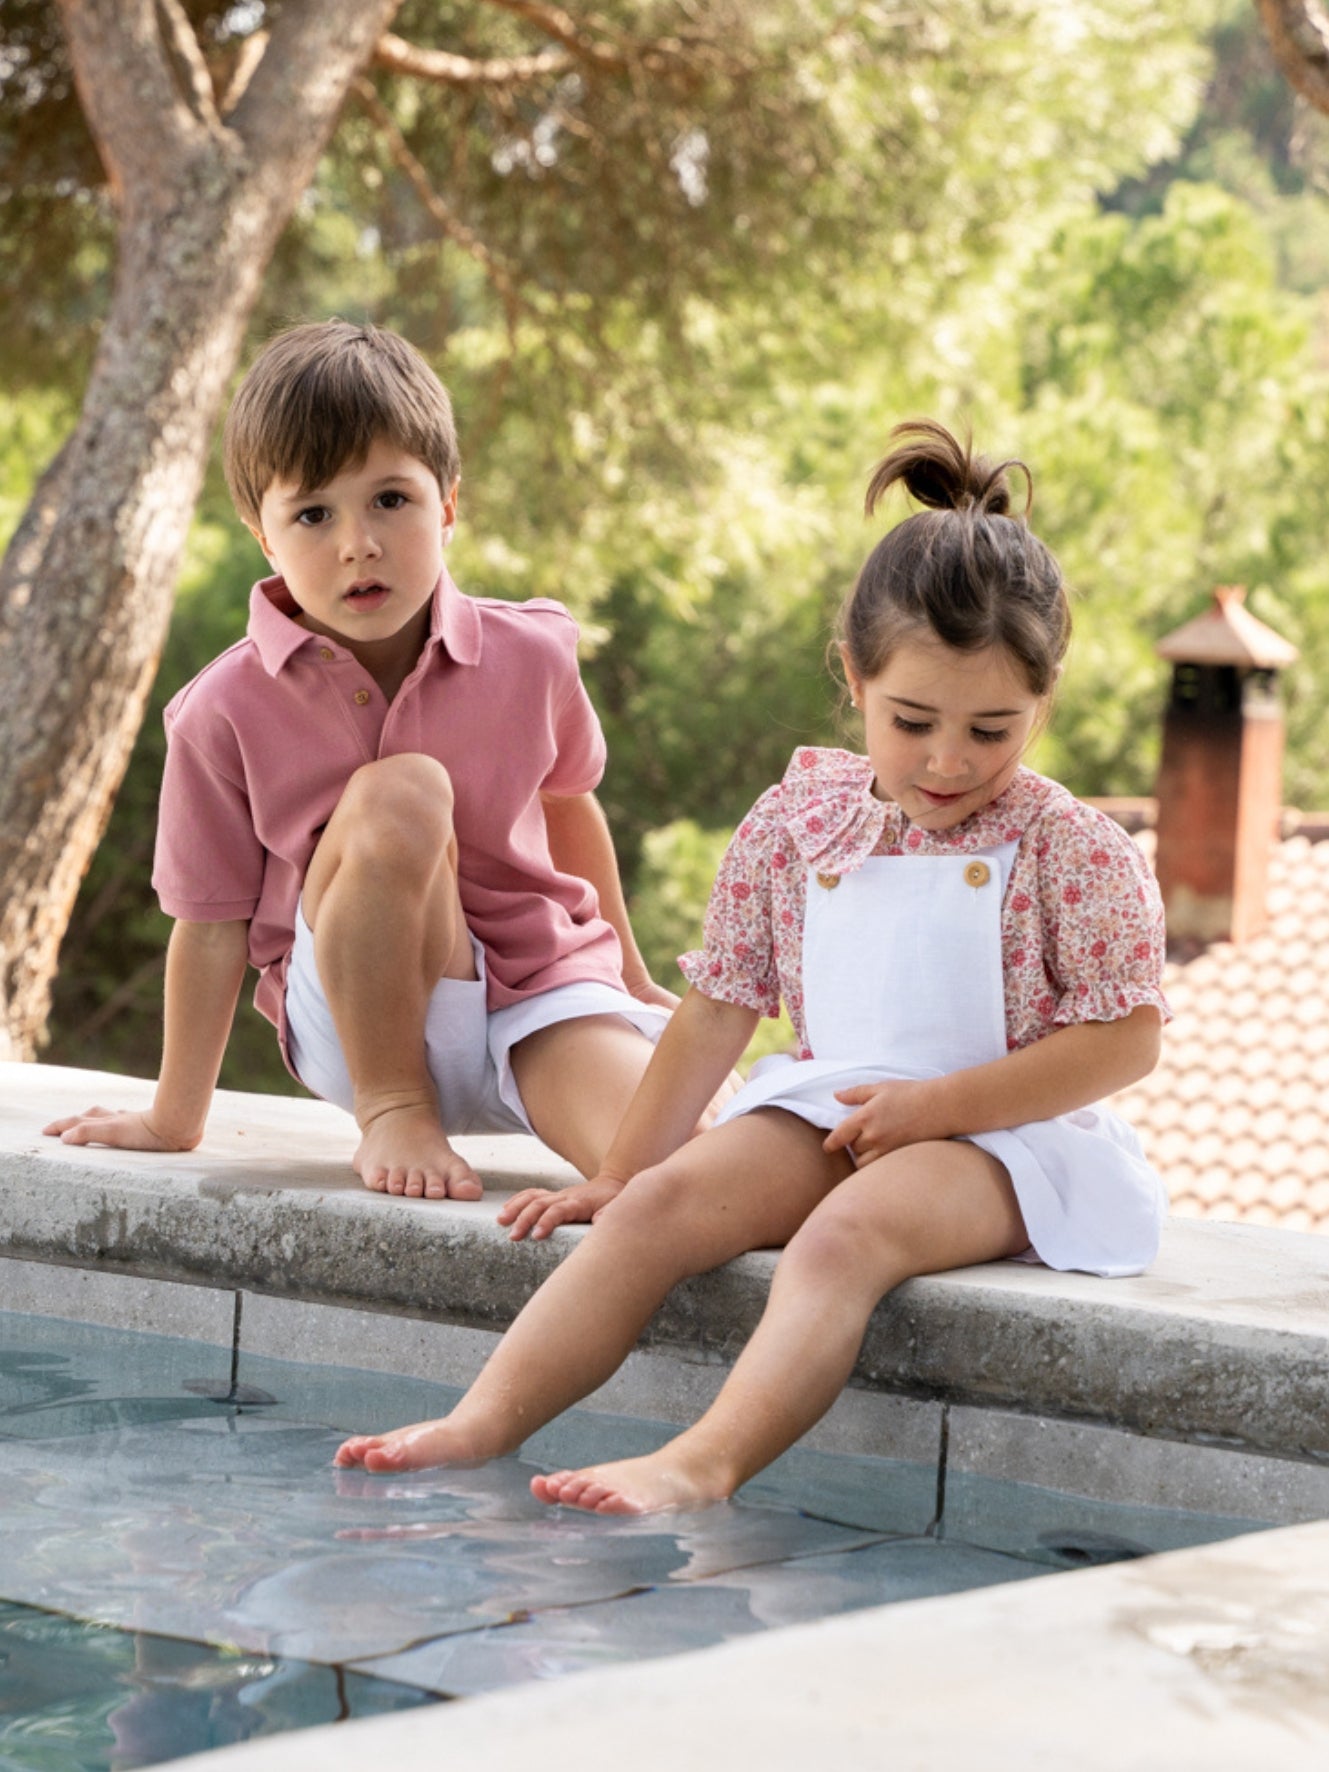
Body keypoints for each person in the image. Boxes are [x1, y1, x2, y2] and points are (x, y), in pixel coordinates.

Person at [334, 418, 1171, 1512]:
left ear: (1042, 705)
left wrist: (936, 1109)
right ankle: (479, 1419)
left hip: (1001, 1139)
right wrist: (619, 1172)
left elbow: (1124, 1042)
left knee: (843, 1238)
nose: (948, 760)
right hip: (840, 1106)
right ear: (853, 678)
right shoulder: (796, 823)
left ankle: (701, 1460)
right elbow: (716, 1010)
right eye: (912, 720)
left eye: (992, 730)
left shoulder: (1070, 849)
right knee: (655, 1208)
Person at [45, 320, 676, 1203]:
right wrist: (174, 1117)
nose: (358, 543)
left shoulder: (533, 654)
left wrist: (632, 984)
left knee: (681, 1170)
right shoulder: (221, 710)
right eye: (313, 514)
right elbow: (211, 923)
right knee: (402, 792)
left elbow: (566, 803)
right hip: (354, 1018)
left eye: (390, 500)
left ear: (447, 504)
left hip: (540, 989)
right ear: (263, 537)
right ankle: (396, 1107)